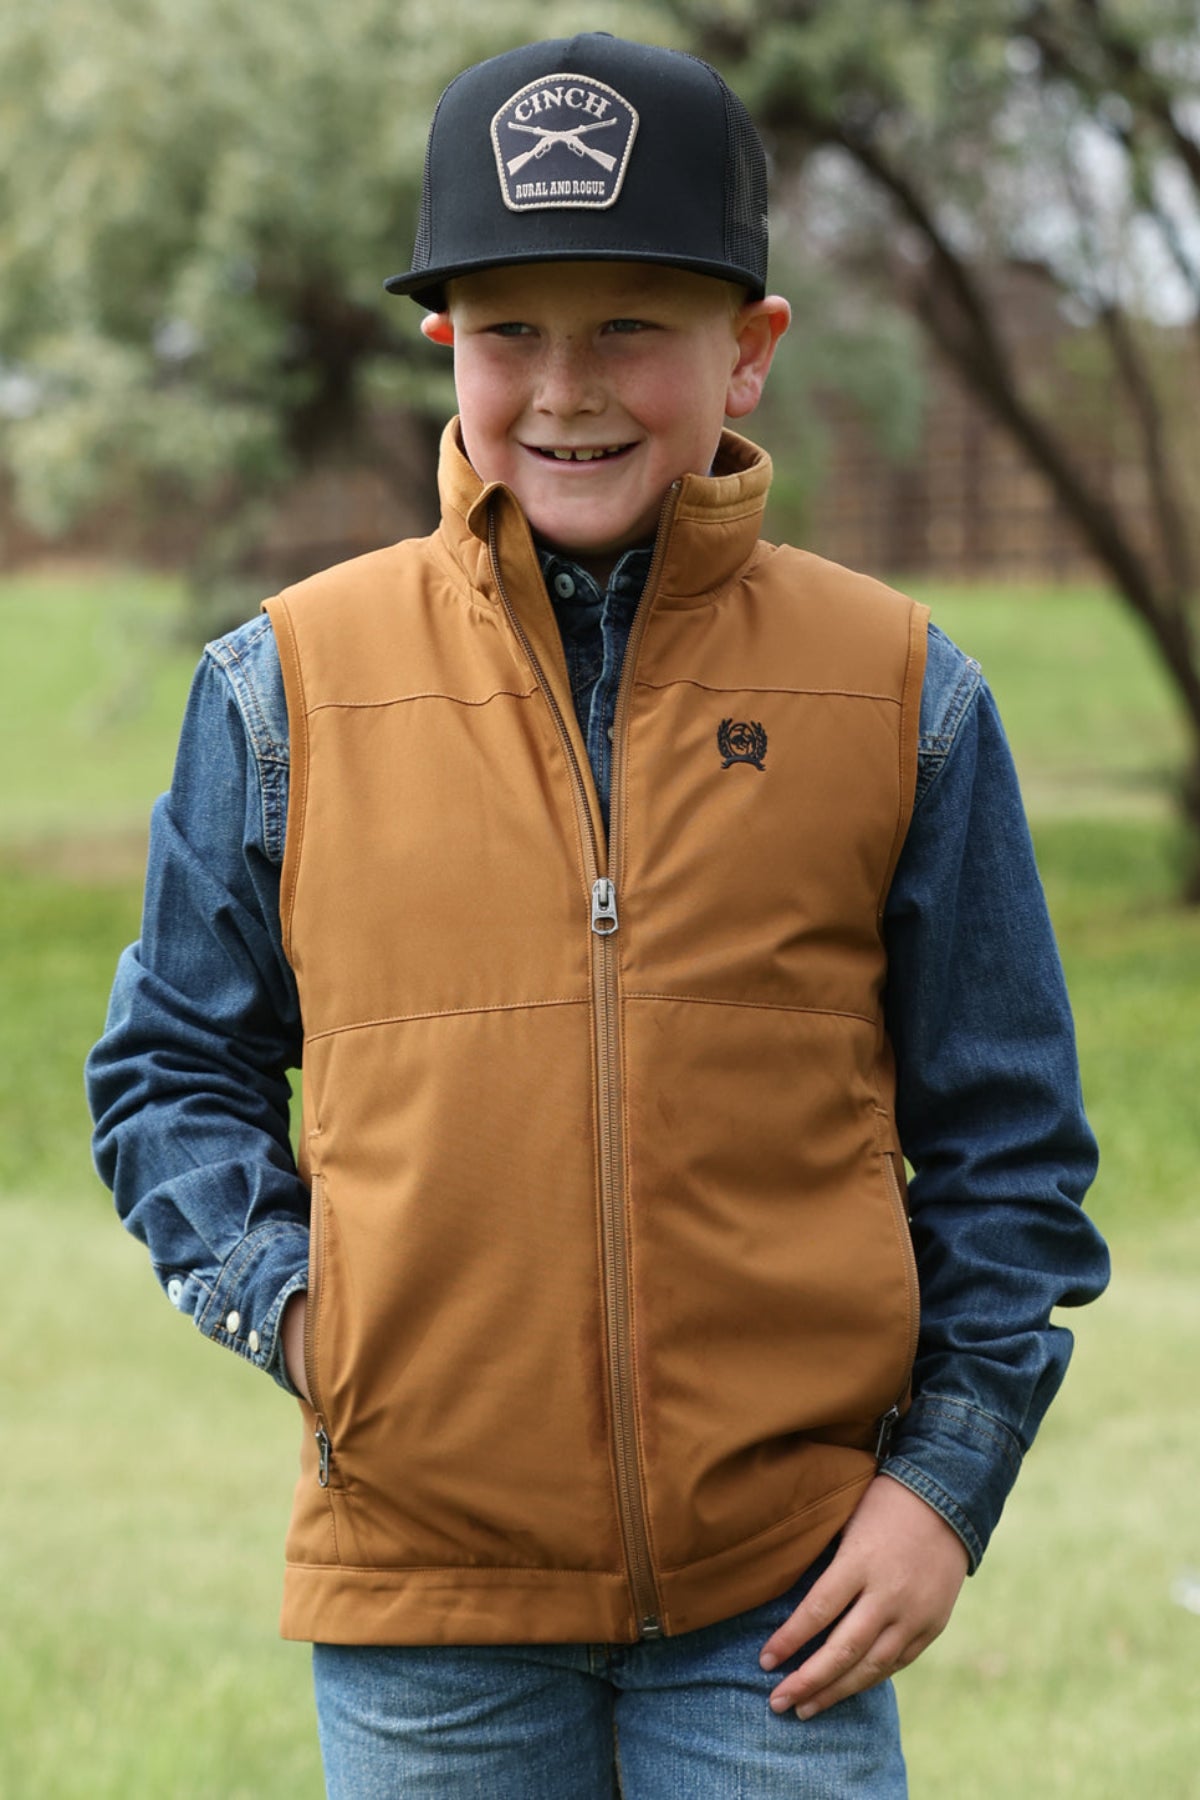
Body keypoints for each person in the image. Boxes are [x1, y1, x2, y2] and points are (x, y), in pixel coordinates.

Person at [87, 32, 1110, 1798]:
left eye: (633, 323)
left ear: (753, 351)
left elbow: (1010, 1147)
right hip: (426, 1609)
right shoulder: (285, 686)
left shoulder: (904, 694)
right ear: (445, 351)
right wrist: (319, 1327)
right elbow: (167, 1072)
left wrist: (943, 1487)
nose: (566, 387)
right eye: (510, 332)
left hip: (777, 1610)